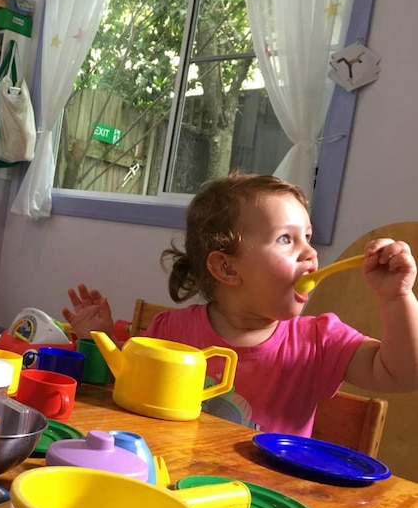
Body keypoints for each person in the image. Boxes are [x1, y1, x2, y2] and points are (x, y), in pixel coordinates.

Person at [64, 172, 418, 436]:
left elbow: (403, 372)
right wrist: (101, 336)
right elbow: (128, 391)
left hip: (267, 506)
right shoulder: (171, 332)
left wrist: (397, 297)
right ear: (226, 267)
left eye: (307, 237)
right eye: (286, 239)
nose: (310, 252)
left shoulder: (319, 341)